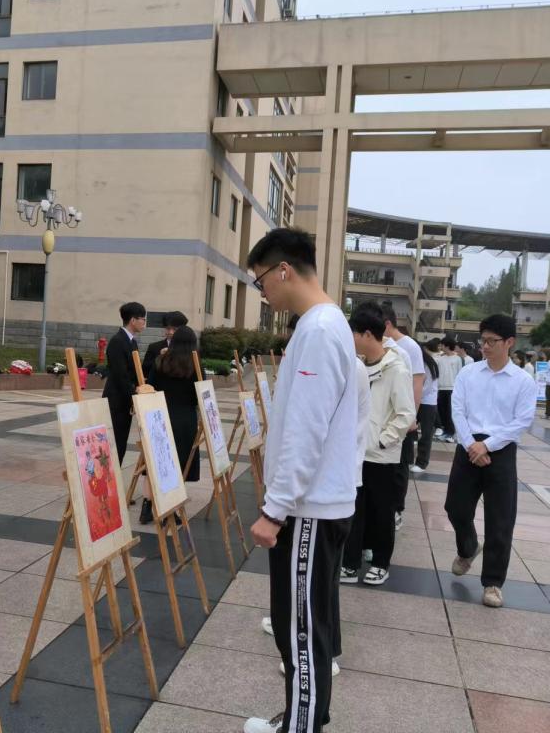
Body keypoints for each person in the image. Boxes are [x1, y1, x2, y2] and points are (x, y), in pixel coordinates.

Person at [243, 228, 358, 733]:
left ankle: (301, 725)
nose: (263, 292)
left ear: (284, 270)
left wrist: (276, 509)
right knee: (308, 625)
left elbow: (306, 428)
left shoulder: (318, 331)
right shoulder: (327, 326)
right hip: (317, 503)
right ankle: (304, 716)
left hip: (307, 509)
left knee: (301, 632)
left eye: (261, 281)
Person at [446, 314, 537, 609]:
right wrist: (471, 444)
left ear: (509, 342)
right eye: (482, 340)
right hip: (467, 445)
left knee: (500, 520)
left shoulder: (523, 381)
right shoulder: (468, 373)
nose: (484, 346)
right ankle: (468, 547)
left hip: (501, 450)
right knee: (456, 508)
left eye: (491, 341)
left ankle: (493, 583)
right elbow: (457, 410)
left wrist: (487, 445)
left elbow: (522, 421)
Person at [341, 302, 415, 586]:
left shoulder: (395, 368)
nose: (351, 339)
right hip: (358, 452)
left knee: (382, 511)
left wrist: (383, 441)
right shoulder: (358, 366)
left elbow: (406, 413)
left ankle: (381, 564)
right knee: (355, 509)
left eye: (353, 334)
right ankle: (350, 563)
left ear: (367, 335)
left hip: (382, 456)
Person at [141, 326, 202, 524]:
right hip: (185, 419)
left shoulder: (161, 361)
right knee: (178, 464)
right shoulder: (194, 365)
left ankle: (147, 506)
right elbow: (198, 396)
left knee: (154, 462)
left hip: (160, 416)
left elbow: (150, 387)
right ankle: (170, 509)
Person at [379, 305, 423, 530]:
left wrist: (411, 417)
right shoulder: (382, 347)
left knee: (400, 467)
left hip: (403, 418)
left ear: (387, 324)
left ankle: (397, 510)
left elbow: (417, 381)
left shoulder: (408, 347)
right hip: (384, 418)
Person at [102, 301, 147, 466]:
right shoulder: (117, 341)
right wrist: (134, 396)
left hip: (125, 401)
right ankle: (111, 475)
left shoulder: (131, 341)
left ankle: (116, 474)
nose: (144, 323)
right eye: (143, 319)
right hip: (116, 401)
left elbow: (133, 372)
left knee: (121, 442)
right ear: (133, 320)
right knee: (114, 443)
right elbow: (121, 376)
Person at [413, 342, 439, 472]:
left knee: (426, 433)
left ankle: (422, 462)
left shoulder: (427, 364)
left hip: (427, 403)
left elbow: (427, 387)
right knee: (410, 430)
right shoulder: (421, 362)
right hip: (418, 400)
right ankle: (409, 458)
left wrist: (414, 395)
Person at [142, 310, 188, 378]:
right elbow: (144, 370)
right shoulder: (154, 347)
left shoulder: (188, 347)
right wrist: (160, 357)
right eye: (168, 328)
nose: (170, 332)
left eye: (175, 329)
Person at [437, 338, 463, 444]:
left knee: (450, 412)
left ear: (447, 346)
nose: (441, 347)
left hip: (452, 388)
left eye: (442, 345)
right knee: (442, 412)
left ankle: (452, 433)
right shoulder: (440, 359)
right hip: (441, 388)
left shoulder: (457, 359)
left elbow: (460, 374)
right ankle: (446, 431)